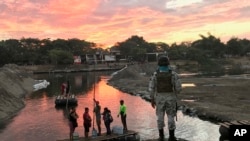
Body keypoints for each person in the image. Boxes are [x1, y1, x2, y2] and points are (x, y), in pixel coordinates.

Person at [148, 55, 182, 141]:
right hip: (171, 98)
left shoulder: (155, 74)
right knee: (171, 117)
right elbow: (178, 89)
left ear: (159, 64)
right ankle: (172, 137)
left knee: (160, 117)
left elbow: (151, 88)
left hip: (159, 98)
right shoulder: (174, 74)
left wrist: (152, 99)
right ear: (168, 63)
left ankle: (161, 137)